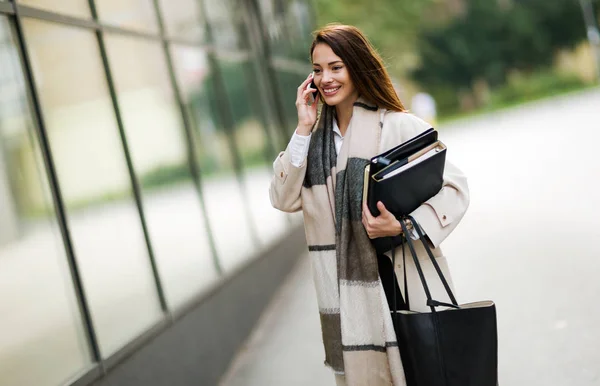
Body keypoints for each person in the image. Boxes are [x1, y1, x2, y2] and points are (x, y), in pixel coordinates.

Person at [269, 24, 469, 386]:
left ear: (357, 67)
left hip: (402, 292)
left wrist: (403, 226)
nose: (326, 78)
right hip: (348, 312)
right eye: (317, 69)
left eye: (336, 67)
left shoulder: (396, 127)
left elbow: (455, 189)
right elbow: (282, 198)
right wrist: (302, 128)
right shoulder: (312, 144)